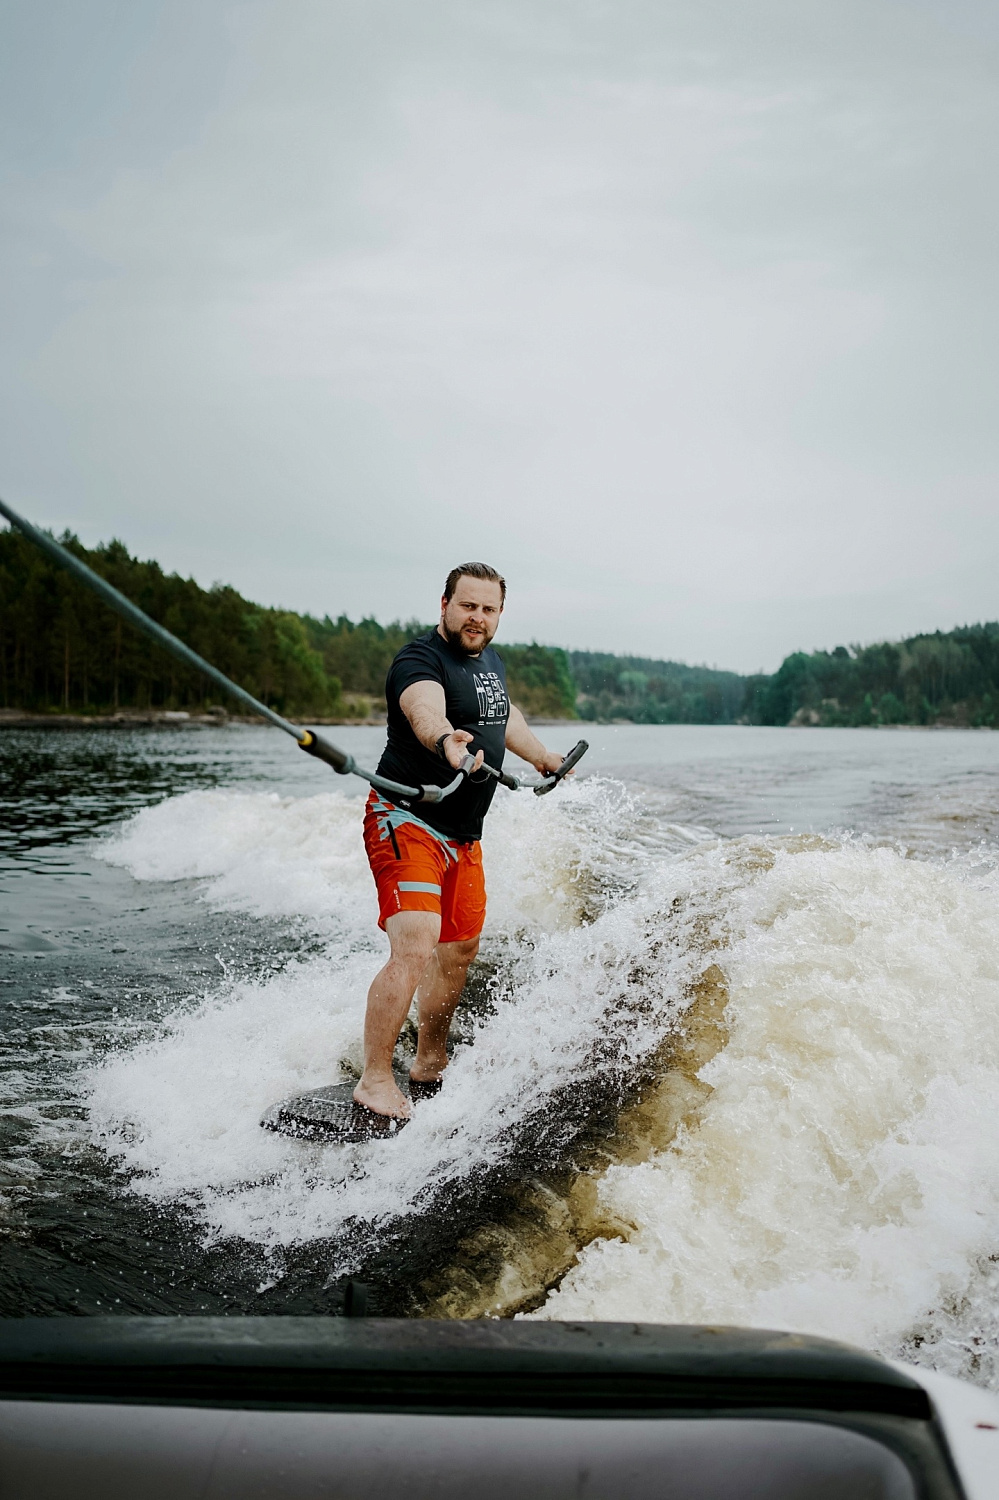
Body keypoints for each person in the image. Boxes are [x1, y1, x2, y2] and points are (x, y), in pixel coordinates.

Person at [356, 562, 566, 1119]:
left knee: (459, 951)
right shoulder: (419, 660)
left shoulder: (488, 661)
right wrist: (447, 740)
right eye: (467, 605)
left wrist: (542, 755)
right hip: (406, 818)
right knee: (418, 941)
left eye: (488, 609)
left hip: (463, 837)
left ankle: (429, 1060)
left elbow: (503, 715)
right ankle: (374, 1078)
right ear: (444, 604)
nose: (477, 617)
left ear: (499, 614)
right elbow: (423, 709)